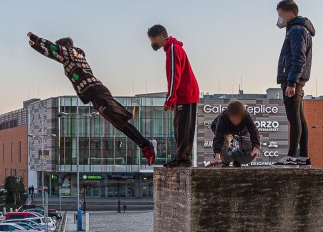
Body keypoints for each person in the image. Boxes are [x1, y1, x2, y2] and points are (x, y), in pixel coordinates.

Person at [27, 32, 156, 165]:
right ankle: (145, 145)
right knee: (120, 124)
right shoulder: (67, 60)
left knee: (120, 121)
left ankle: (147, 145)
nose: (60, 55)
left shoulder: (74, 53)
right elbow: (52, 54)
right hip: (93, 96)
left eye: (61, 49)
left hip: (97, 91)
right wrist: (35, 46)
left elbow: (54, 49)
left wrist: (35, 38)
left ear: (66, 46)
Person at [147, 24, 200, 167]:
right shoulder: (174, 48)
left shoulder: (172, 49)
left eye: (152, 40)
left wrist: (170, 99)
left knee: (181, 127)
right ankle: (182, 158)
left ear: (159, 36)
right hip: (188, 93)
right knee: (183, 127)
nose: (152, 43)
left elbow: (173, 76)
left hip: (186, 93)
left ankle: (182, 159)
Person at [273, 0, 315, 166]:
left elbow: (299, 57)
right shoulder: (299, 29)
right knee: (300, 118)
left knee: (294, 118)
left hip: (293, 80)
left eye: (280, 13)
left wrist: (291, 81)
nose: (279, 17)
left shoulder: (297, 30)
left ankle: (292, 156)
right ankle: (303, 156)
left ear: (289, 12)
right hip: (297, 79)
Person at [205, 100, 261, 167]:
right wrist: (217, 156)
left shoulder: (246, 116)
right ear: (229, 116)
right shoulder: (223, 117)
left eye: (237, 120)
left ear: (242, 116)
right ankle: (225, 159)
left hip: (242, 130)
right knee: (224, 141)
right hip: (224, 130)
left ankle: (237, 158)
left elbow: (253, 131)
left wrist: (256, 147)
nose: (235, 122)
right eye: (233, 120)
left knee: (250, 143)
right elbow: (218, 137)